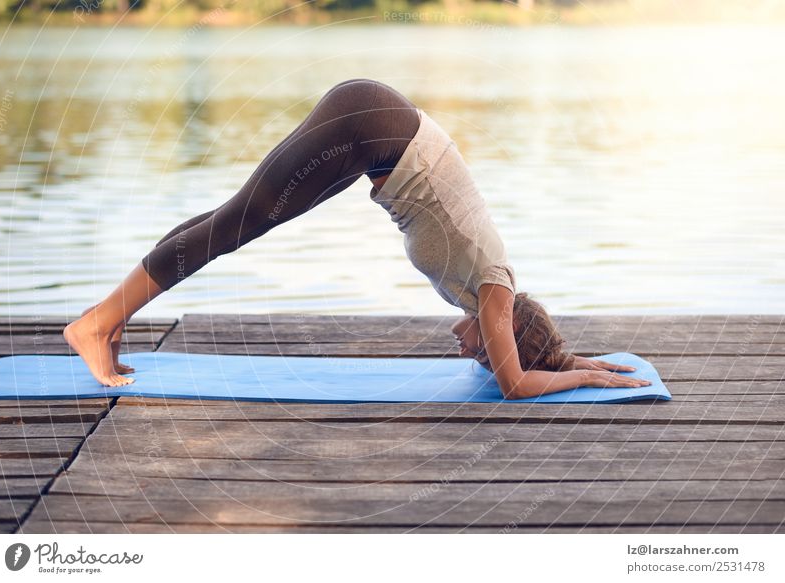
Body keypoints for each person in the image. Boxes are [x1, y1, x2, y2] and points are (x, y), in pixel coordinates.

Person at [64, 78, 651, 397]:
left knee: (234, 221)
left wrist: (573, 356)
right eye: (485, 350)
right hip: (372, 126)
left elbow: (522, 359)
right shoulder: (495, 294)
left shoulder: (492, 291)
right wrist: (582, 376)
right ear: (508, 334)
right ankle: (93, 325)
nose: (471, 352)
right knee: (235, 224)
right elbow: (517, 385)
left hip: (376, 134)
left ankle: (110, 320)